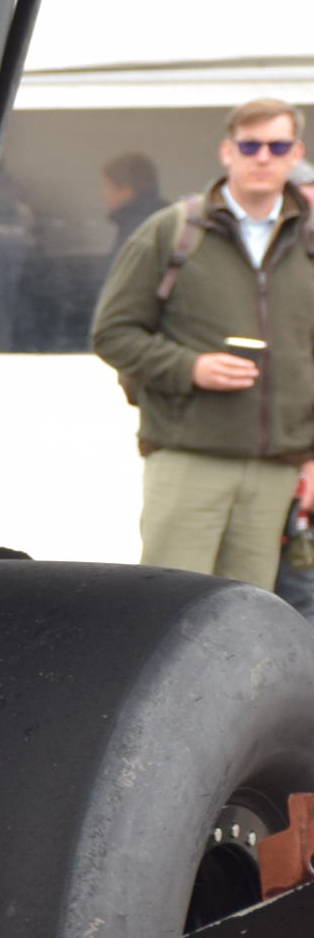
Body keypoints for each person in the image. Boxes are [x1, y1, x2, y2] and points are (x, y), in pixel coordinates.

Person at [92, 99, 314, 589]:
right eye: (250, 145)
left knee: (249, 622)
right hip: (189, 455)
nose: (263, 157)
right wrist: (191, 367)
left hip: (275, 470)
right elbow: (112, 333)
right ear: (226, 151)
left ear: (294, 152)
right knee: (170, 612)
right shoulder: (173, 231)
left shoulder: (308, 240)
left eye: (276, 146)